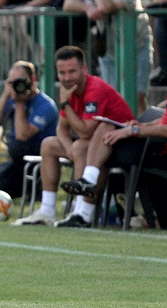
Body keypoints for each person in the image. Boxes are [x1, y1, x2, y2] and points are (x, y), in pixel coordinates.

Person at [61, 42, 167, 230]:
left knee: (103, 129)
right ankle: (81, 213)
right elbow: (166, 120)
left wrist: (133, 131)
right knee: (83, 146)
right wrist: (141, 125)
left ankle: (88, 186)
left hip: (165, 153)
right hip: (153, 146)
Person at [13, 46, 134, 227]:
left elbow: (85, 131)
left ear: (84, 69)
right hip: (95, 145)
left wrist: (65, 105)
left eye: (72, 71)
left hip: (123, 146)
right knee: (49, 145)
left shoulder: (95, 88)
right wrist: (69, 148)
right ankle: (47, 209)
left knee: (80, 146)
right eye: (62, 73)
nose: (67, 77)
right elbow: (61, 129)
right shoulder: (70, 91)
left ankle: (82, 213)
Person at [63, 0, 152, 113]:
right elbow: (69, 2)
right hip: (110, 48)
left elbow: (104, 7)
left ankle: (140, 127)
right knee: (111, 95)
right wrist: (87, 8)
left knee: (137, 96)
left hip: (136, 47)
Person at [0, 61, 58, 198]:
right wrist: (6, 94)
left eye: (20, 81)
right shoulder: (12, 98)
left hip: (40, 154)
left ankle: (36, 187)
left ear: (32, 80)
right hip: (18, 160)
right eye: (11, 82)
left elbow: (23, 136)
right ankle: (25, 188)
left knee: (16, 146)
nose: (17, 86)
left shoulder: (46, 105)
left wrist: (20, 103)